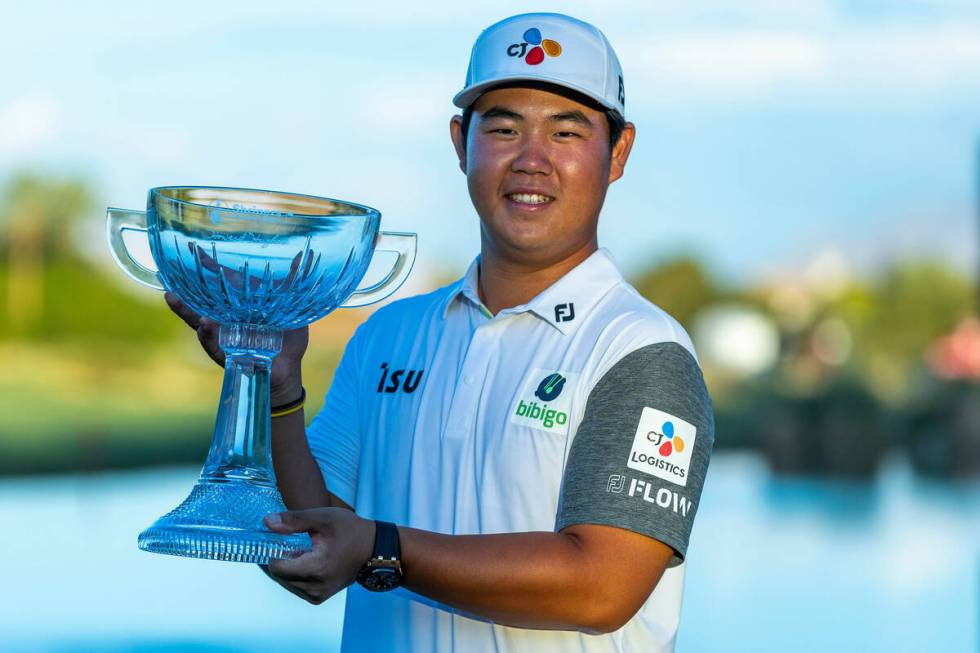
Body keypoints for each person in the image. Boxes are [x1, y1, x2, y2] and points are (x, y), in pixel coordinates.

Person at [166, 12, 714, 653]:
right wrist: (277, 392)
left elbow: (601, 587)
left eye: (566, 132)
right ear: (461, 143)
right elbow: (314, 544)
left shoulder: (641, 350)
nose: (532, 160)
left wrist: (382, 549)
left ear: (618, 153)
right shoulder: (389, 335)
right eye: (504, 128)